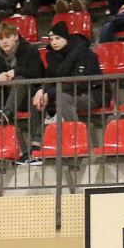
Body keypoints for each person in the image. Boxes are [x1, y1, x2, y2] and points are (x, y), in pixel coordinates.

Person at [29, 21, 102, 160]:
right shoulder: (52, 56)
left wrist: (49, 93)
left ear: (66, 38)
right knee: (36, 101)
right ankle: (35, 148)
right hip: (65, 93)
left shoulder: (83, 53)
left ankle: (76, 144)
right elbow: (49, 79)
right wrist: (41, 90)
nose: (54, 42)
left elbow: (79, 83)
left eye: (57, 38)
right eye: (51, 39)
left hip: (92, 93)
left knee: (63, 98)